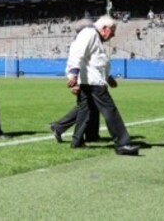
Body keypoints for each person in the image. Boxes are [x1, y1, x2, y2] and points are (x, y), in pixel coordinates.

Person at [66, 15, 139, 155]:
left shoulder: (93, 36)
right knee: (110, 110)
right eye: (112, 30)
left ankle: (77, 142)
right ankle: (122, 144)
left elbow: (96, 62)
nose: (113, 34)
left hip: (89, 81)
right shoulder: (89, 33)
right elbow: (77, 54)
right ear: (104, 28)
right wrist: (73, 73)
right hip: (93, 82)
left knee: (84, 111)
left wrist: (108, 77)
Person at [50, 18, 99, 143]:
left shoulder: (84, 42)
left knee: (90, 106)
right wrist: (75, 80)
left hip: (88, 78)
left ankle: (91, 134)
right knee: (85, 107)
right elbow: (73, 62)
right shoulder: (79, 43)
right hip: (83, 79)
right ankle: (60, 127)